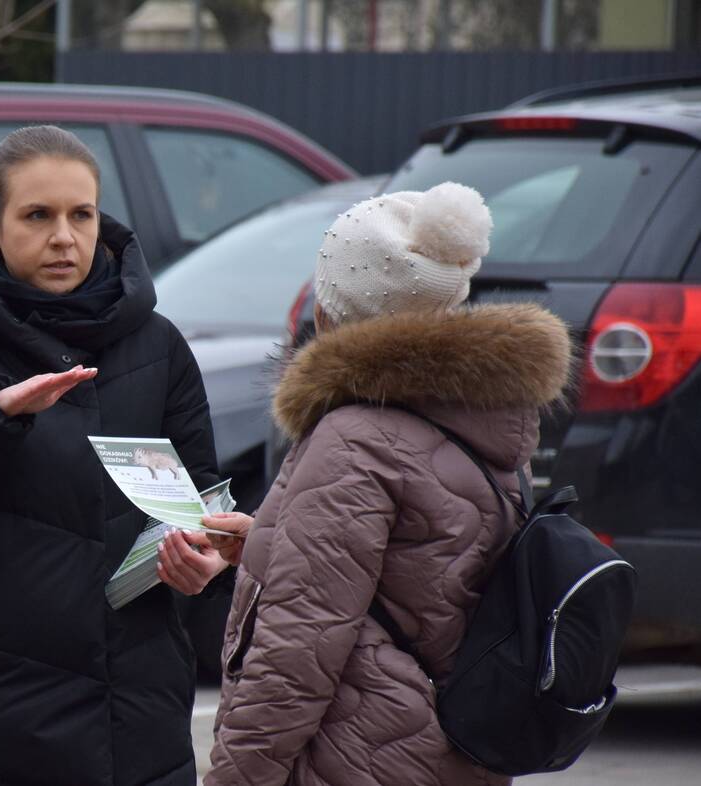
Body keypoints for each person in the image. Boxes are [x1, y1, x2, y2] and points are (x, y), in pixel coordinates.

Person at [0, 125, 229, 785]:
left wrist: (203, 561)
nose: (64, 236)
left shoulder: (157, 345)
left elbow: (195, 501)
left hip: (134, 707)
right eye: (38, 215)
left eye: (80, 215)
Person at [202, 183, 572, 785]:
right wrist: (273, 540)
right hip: (456, 753)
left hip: (356, 759)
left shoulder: (353, 439)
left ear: (327, 315)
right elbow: (424, 577)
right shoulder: (486, 416)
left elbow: (293, 657)